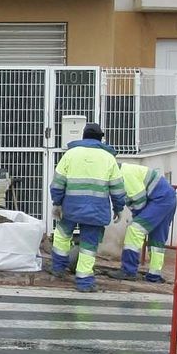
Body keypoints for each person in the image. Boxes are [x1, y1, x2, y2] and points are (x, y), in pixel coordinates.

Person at [48, 122, 127, 293]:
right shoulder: (108, 158)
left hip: (70, 207)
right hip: (96, 210)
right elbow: (117, 187)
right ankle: (84, 281)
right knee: (88, 245)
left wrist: (57, 203)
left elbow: (58, 183)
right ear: (101, 139)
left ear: (83, 137)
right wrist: (119, 208)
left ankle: (58, 269)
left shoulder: (70, 154)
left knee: (62, 236)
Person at [107, 162, 177, 283]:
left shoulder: (125, 176)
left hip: (159, 200)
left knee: (135, 230)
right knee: (157, 239)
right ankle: (154, 275)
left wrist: (136, 219)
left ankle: (128, 270)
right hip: (166, 198)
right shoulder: (126, 171)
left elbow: (138, 202)